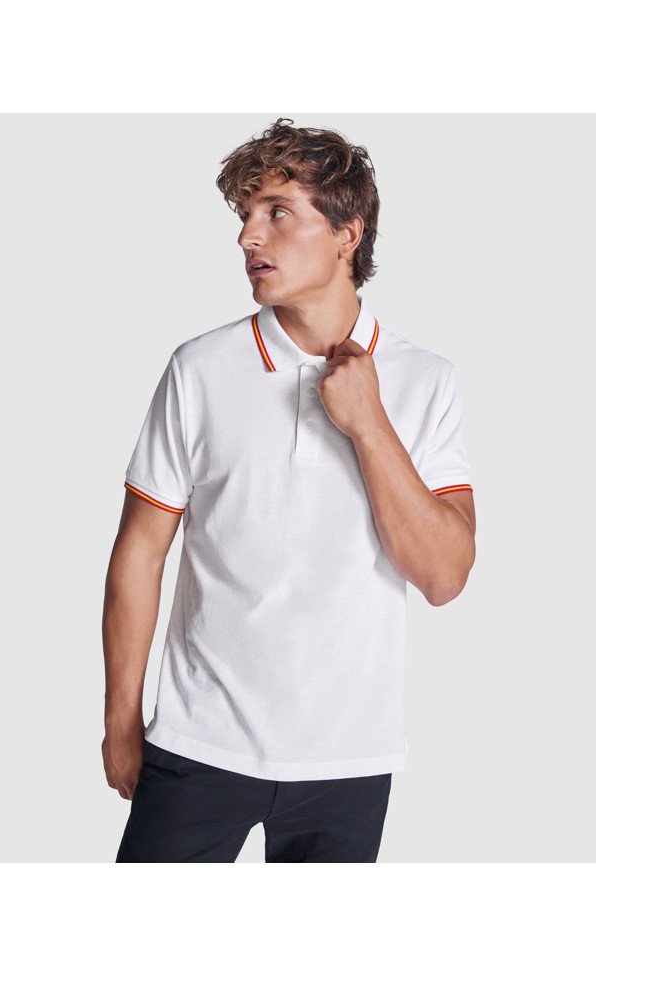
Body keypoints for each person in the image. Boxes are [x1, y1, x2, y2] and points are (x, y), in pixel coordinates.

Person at [102, 118, 476, 863]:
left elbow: (444, 577)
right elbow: (140, 553)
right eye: (246, 214)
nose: (249, 237)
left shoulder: (427, 380)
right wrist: (120, 720)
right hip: (198, 742)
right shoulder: (199, 369)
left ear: (347, 233)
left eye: (277, 211)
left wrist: (369, 423)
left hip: (350, 758)